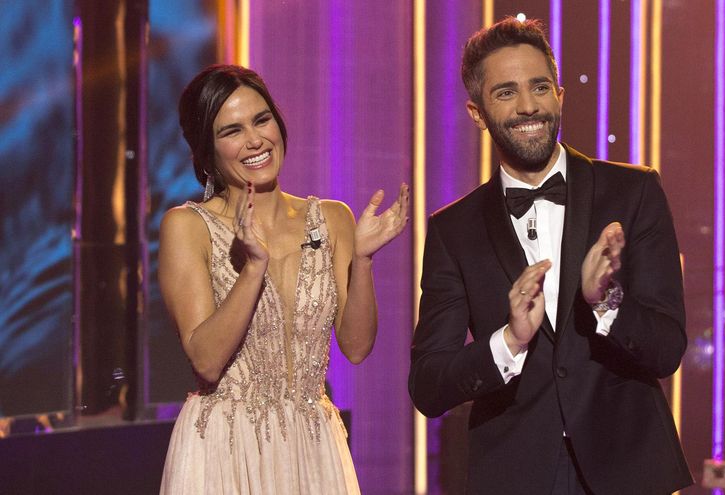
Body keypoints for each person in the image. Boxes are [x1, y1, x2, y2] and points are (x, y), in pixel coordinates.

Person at [409, 18, 692, 495]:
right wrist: (509, 341)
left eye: (539, 87)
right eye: (505, 93)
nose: (528, 106)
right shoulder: (452, 229)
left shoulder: (635, 190)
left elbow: (667, 349)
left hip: (628, 469)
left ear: (559, 93)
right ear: (477, 113)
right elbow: (429, 386)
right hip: (514, 475)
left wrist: (607, 302)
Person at [158, 64, 408, 494]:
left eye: (262, 119)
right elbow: (206, 359)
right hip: (224, 449)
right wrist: (254, 267)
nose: (255, 140)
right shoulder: (187, 226)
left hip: (313, 449)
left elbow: (357, 346)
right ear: (207, 150)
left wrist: (363, 261)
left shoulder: (331, 218)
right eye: (231, 130)